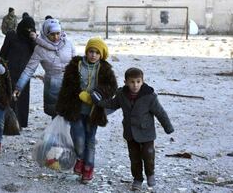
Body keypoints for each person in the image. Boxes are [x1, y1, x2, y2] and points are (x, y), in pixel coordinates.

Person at [92, 67, 174, 190]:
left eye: (138, 81)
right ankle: (137, 179)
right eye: (132, 82)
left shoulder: (149, 96)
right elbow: (112, 104)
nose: (135, 85)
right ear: (125, 82)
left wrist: (168, 127)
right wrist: (99, 102)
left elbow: (160, 113)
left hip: (146, 132)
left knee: (148, 154)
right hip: (130, 132)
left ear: (142, 81)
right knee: (134, 157)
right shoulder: (121, 95)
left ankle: (150, 173)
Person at [56, 38, 118, 184]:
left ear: (101, 55)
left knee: (90, 140)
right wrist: (62, 106)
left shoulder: (104, 69)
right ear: (86, 51)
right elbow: (66, 87)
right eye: (91, 51)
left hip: (93, 112)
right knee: (78, 139)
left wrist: (98, 93)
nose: (93, 55)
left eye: (97, 53)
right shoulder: (75, 65)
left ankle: (88, 168)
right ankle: (80, 158)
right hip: (75, 110)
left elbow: (112, 87)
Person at [13, 18, 75, 118]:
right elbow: (29, 69)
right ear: (46, 33)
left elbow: (76, 63)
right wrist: (19, 86)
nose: (56, 37)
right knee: (56, 114)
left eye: (58, 33)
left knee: (72, 113)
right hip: (52, 84)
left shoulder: (68, 44)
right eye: (52, 34)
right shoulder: (39, 49)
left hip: (70, 82)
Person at [0, 16, 37, 128]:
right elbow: (3, 52)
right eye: (27, 29)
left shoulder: (32, 39)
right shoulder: (12, 35)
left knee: (22, 99)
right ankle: (9, 123)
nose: (29, 31)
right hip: (10, 72)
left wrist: (34, 40)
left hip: (24, 74)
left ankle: (20, 122)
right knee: (10, 98)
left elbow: (37, 54)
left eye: (31, 29)